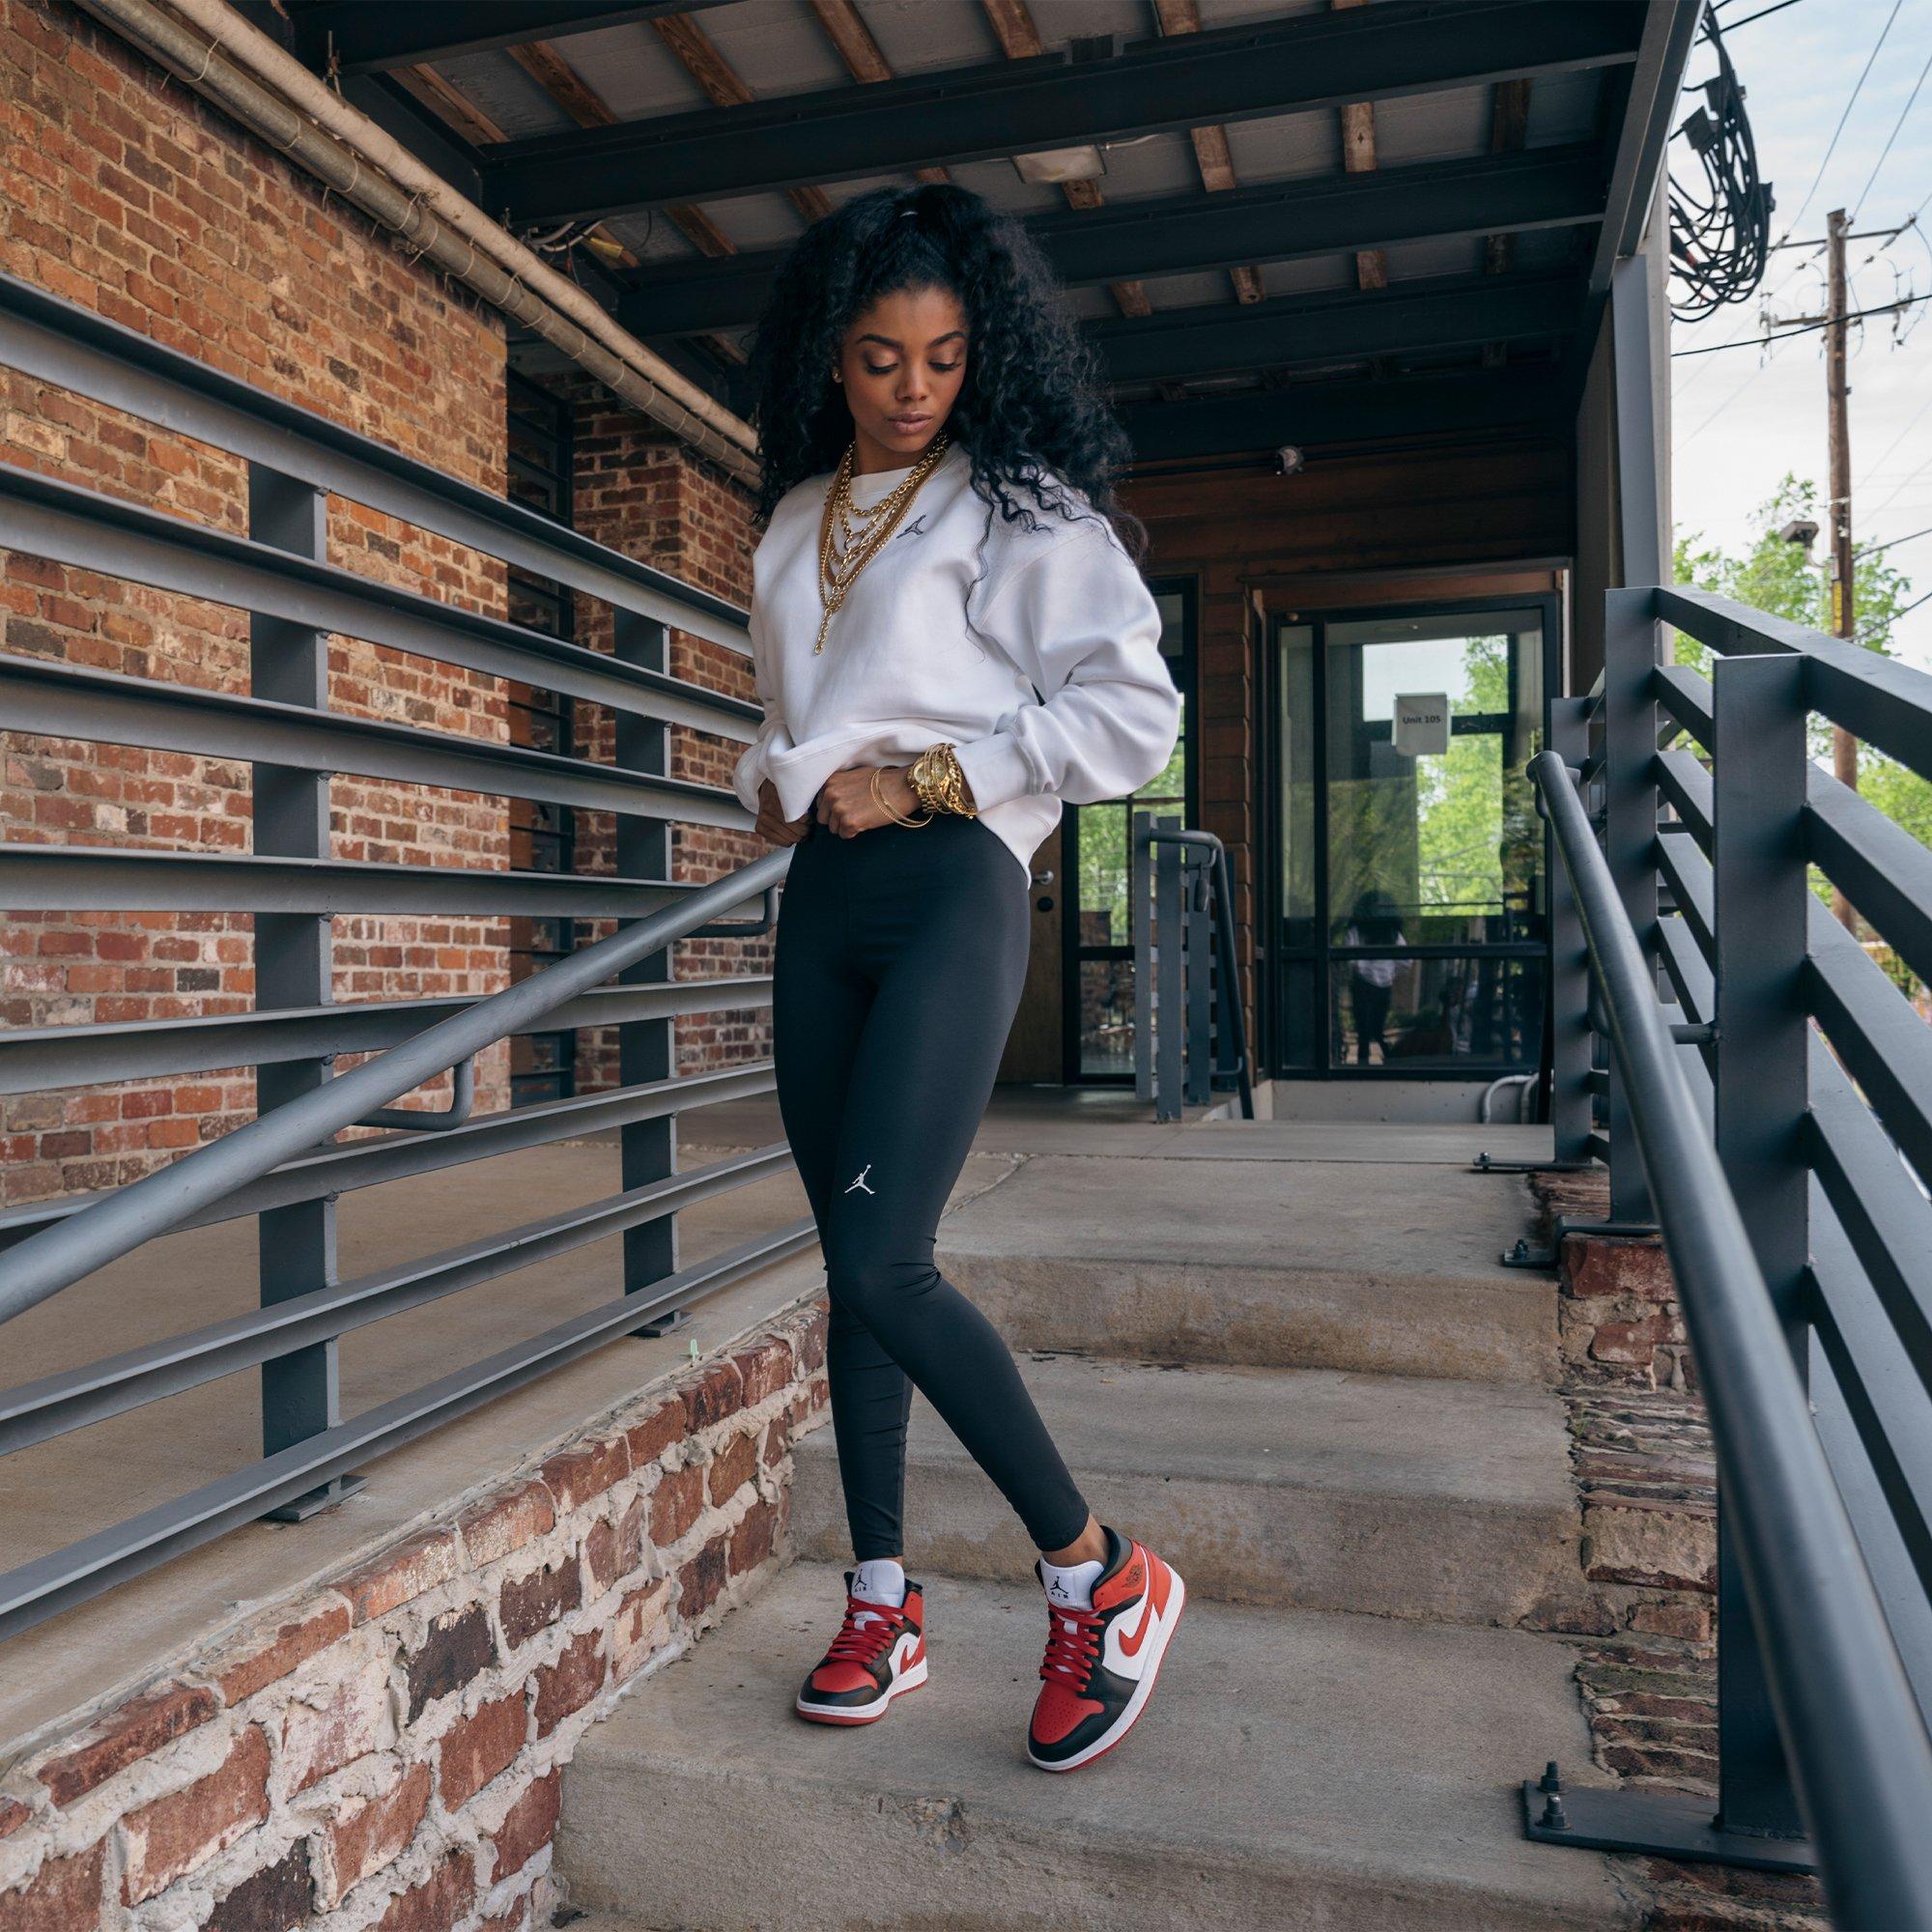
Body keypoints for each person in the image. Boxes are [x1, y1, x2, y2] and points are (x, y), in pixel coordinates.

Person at [731, 182, 1186, 1773]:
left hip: (950, 888)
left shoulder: (1023, 506)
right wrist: (776, 782)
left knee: (887, 1259)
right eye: (879, 357)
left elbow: (1134, 719)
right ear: (831, 362)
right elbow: (799, 725)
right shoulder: (794, 527)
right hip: (824, 897)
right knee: (854, 1268)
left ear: (977, 354)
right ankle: (882, 1604)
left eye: (940, 355)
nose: (914, 386)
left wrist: (930, 778)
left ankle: (1099, 1575)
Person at [1344, 889, 1405, 1065]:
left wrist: (1362, 968)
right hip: (1379, 985)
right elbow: (1406, 960)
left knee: (1367, 1030)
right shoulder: (1393, 935)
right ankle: (1388, 1060)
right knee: (1373, 1029)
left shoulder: (1358, 932)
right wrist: (1390, 972)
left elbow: (1349, 958)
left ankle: (1368, 1065)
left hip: (1364, 984)